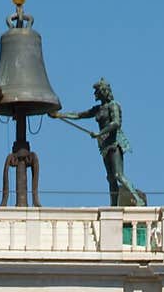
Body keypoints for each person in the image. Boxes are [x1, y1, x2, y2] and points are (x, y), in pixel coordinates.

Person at [55, 79, 147, 207]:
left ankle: (138, 199)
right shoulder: (98, 109)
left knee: (118, 175)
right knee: (110, 178)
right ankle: (113, 205)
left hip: (114, 143)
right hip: (105, 146)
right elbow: (79, 115)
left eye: (97, 92)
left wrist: (99, 133)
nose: (95, 94)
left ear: (103, 92)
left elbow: (116, 123)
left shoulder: (113, 105)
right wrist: (60, 115)